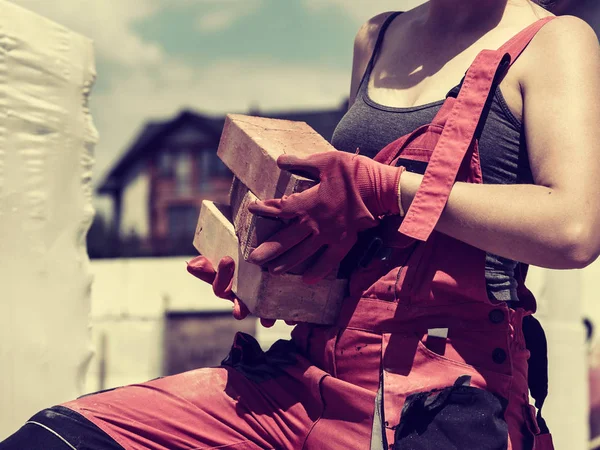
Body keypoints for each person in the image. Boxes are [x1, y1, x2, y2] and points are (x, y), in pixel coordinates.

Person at [2, 0, 600, 449]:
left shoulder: (555, 42)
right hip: (303, 375)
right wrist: (274, 261)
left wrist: (389, 187)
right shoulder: (377, 35)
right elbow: (360, 235)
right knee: (55, 438)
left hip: (448, 394)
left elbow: (574, 227)